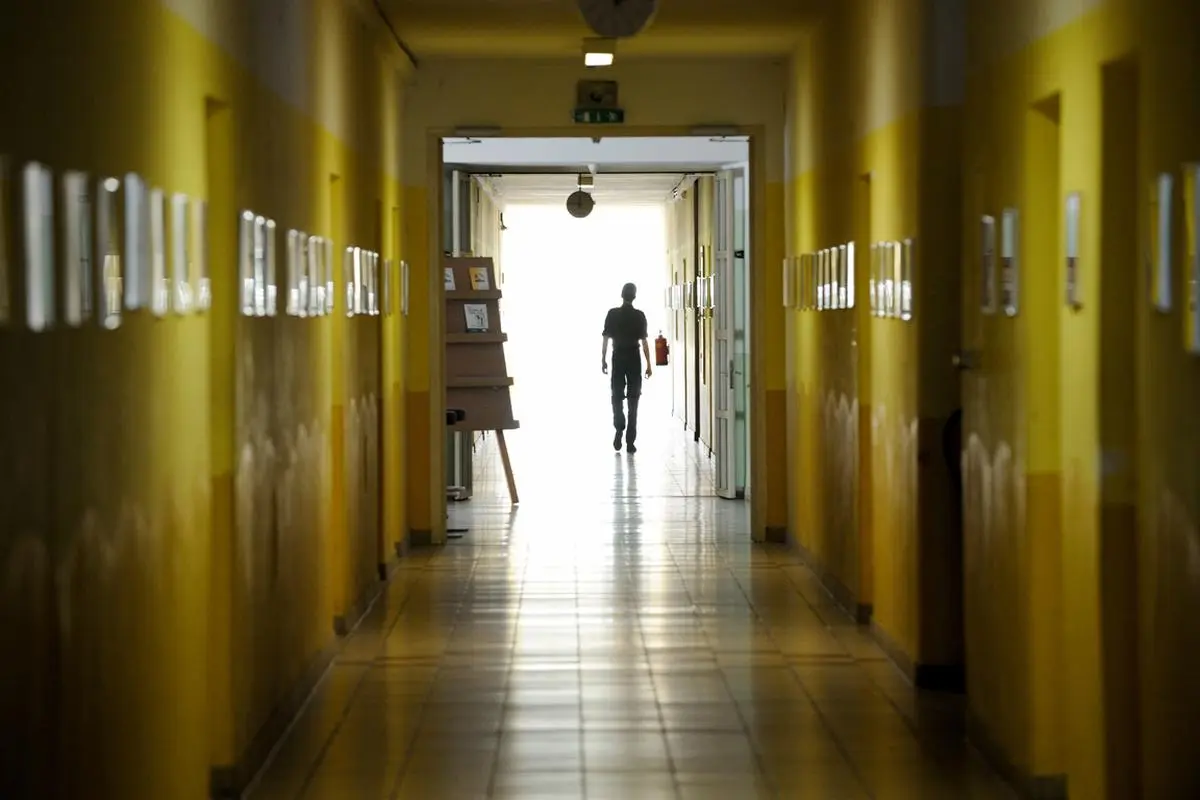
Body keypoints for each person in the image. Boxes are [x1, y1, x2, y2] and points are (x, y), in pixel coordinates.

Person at [601, 282, 652, 453]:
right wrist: (649, 364)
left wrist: (603, 359)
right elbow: (644, 342)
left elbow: (606, 339)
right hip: (633, 358)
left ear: (622, 295)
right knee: (633, 400)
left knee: (616, 395)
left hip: (618, 358)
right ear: (634, 296)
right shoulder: (639, 316)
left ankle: (619, 427)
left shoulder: (612, 314)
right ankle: (630, 441)